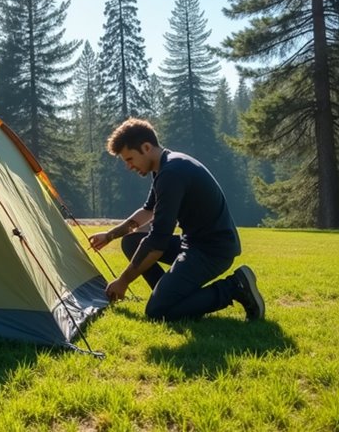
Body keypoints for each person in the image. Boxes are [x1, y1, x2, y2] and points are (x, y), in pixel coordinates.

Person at [88, 118, 265, 321]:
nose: (129, 166)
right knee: (131, 241)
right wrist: (110, 235)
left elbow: (158, 241)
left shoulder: (172, 173)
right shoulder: (165, 167)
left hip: (213, 251)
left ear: (146, 147)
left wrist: (123, 281)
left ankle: (235, 286)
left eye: (129, 159)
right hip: (194, 243)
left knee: (157, 311)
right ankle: (171, 293)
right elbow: (148, 211)